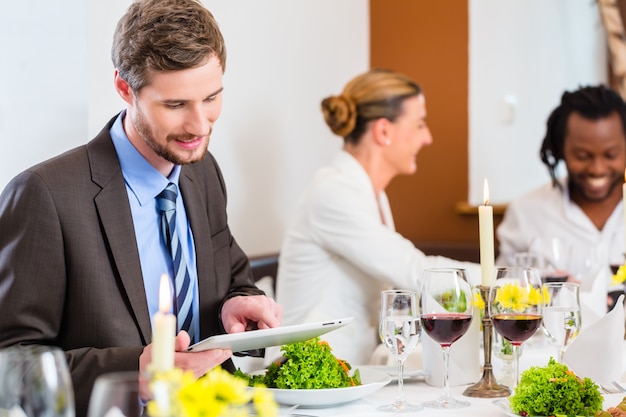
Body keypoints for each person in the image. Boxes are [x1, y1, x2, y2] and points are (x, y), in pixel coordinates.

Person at [0, 0, 282, 415]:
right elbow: (10, 361)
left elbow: (235, 278)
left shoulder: (203, 173)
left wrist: (236, 304)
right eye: (175, 105)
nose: (200, 126)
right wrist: (132, 370)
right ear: (124, 88)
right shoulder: (44, 194)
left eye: (212, 98)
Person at [275, 69, 481, 366]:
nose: (428, 138)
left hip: (354, 370)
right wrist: (509, 282)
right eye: (420, 124)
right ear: (383, 131)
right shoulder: (333, 192)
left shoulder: (372, 194)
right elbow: (417, 273)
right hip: (308, 375)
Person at [496, 85, 626, 313]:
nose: (597, 169)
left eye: (611, 155)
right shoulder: (527, 212)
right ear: (559, 149)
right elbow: (504, 301)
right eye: (582, 156)